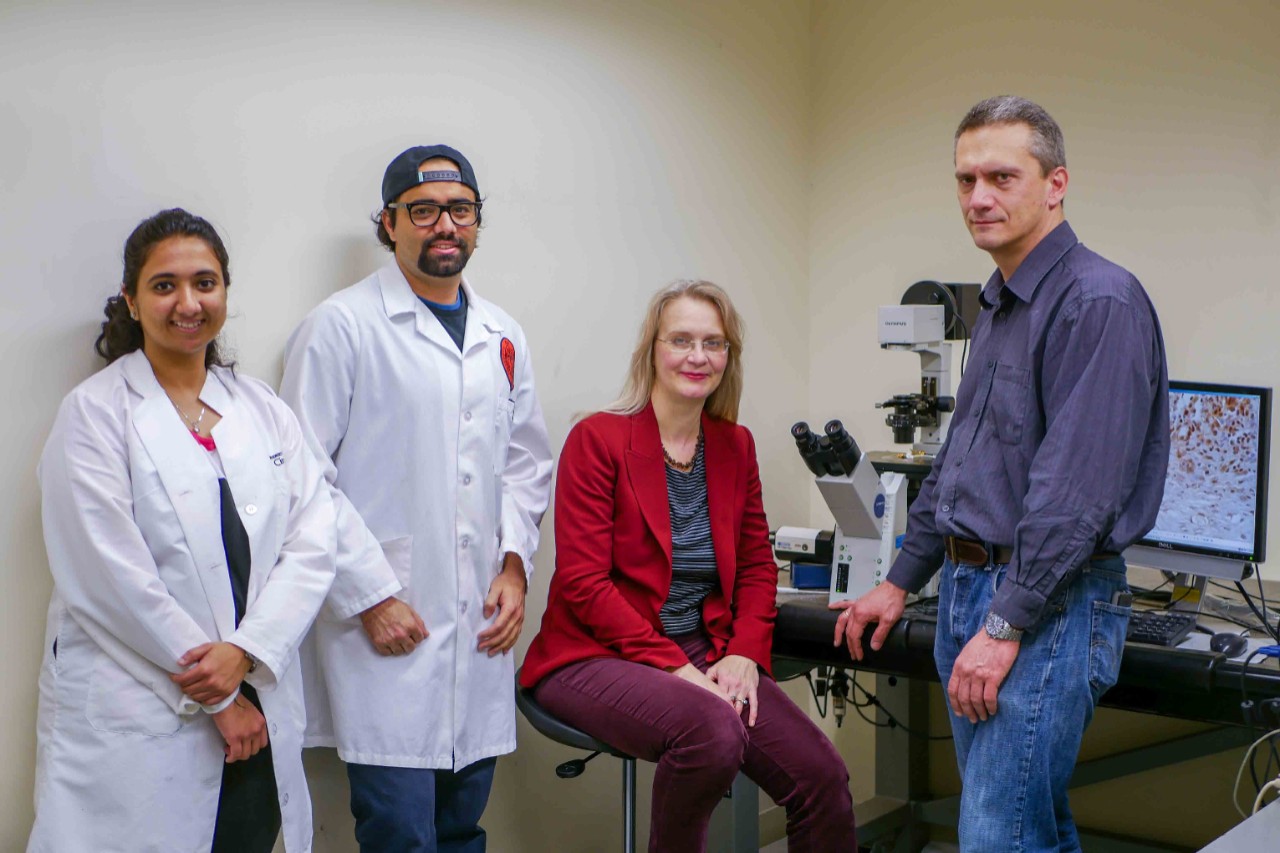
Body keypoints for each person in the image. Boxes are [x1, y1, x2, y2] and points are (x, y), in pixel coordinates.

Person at [833, 96, 1170, 852]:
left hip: (1042, 600)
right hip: (970, 591)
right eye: (965, 180)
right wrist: (901, 576)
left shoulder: (1098, 300)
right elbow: (961, 461)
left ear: (1056, 183)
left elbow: (1075, 495)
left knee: (997, 835)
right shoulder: (999, 301)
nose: (979, 197)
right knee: (1024, 824)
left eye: (1001, 176)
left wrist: (1004, 623)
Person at [28, 208, 337, 853]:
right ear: (132, 302)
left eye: (206, 282)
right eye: (164, 286)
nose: (188, 303)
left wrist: (246, 653)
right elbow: (109, 575)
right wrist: (217, 695)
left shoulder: (261, 409)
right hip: (140, 705)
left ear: (225, 291)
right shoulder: (95, 415)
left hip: (256, 690)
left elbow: (313, 540)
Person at [279, 144, 552, 852]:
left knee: (463, 825)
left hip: (482, 620)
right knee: (399, 829)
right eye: (423, 211)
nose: (444, 226)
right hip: (384, 619)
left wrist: (516, 567)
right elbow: (302, 477)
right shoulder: (340, 327)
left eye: (460, 210)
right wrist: (370, 593)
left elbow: (526, 464)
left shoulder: (504, 334)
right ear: (389, 223)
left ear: (477, 223)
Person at [522, 280, 858, 852]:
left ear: (729, 358)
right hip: (591, 655)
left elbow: (756, 564)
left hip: (705, 649)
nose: (698, 356)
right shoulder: (597, 439)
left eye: (714, 343)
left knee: (821, 781)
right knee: (711, 730)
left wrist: (744, 653)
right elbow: (583, 583)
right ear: (651, 349)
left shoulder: (734, 445)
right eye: (680, 339)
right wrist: (679, 670)